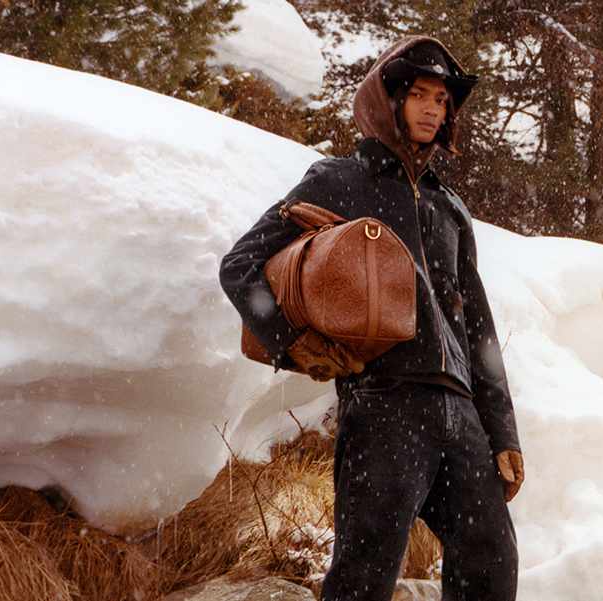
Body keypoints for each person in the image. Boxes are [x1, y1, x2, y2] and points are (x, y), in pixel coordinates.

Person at [219, 35, 524, 601]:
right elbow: (241, 266)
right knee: (365, 573)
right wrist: (291, 342)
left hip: (460, 415)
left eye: (443, 100)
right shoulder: (340, 181)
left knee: (491, 562)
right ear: (389, 100)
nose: (435, 108)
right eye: (422, 95)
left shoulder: (448, 207)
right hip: (385, 406)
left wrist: (501, 430)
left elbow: (476, 326)